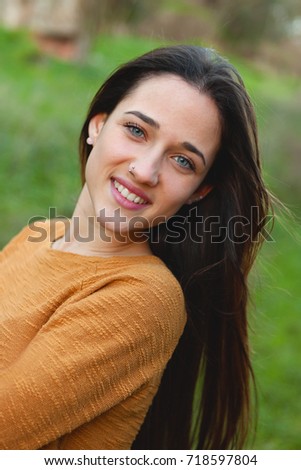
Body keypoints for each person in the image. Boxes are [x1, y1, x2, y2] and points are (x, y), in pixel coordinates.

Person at [0, 45, 271, 450]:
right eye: (137, 130)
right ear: (98, 125)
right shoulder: (37, 237)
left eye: (183, 161)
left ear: (200, 191)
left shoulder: (142, 298)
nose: (144, 171)